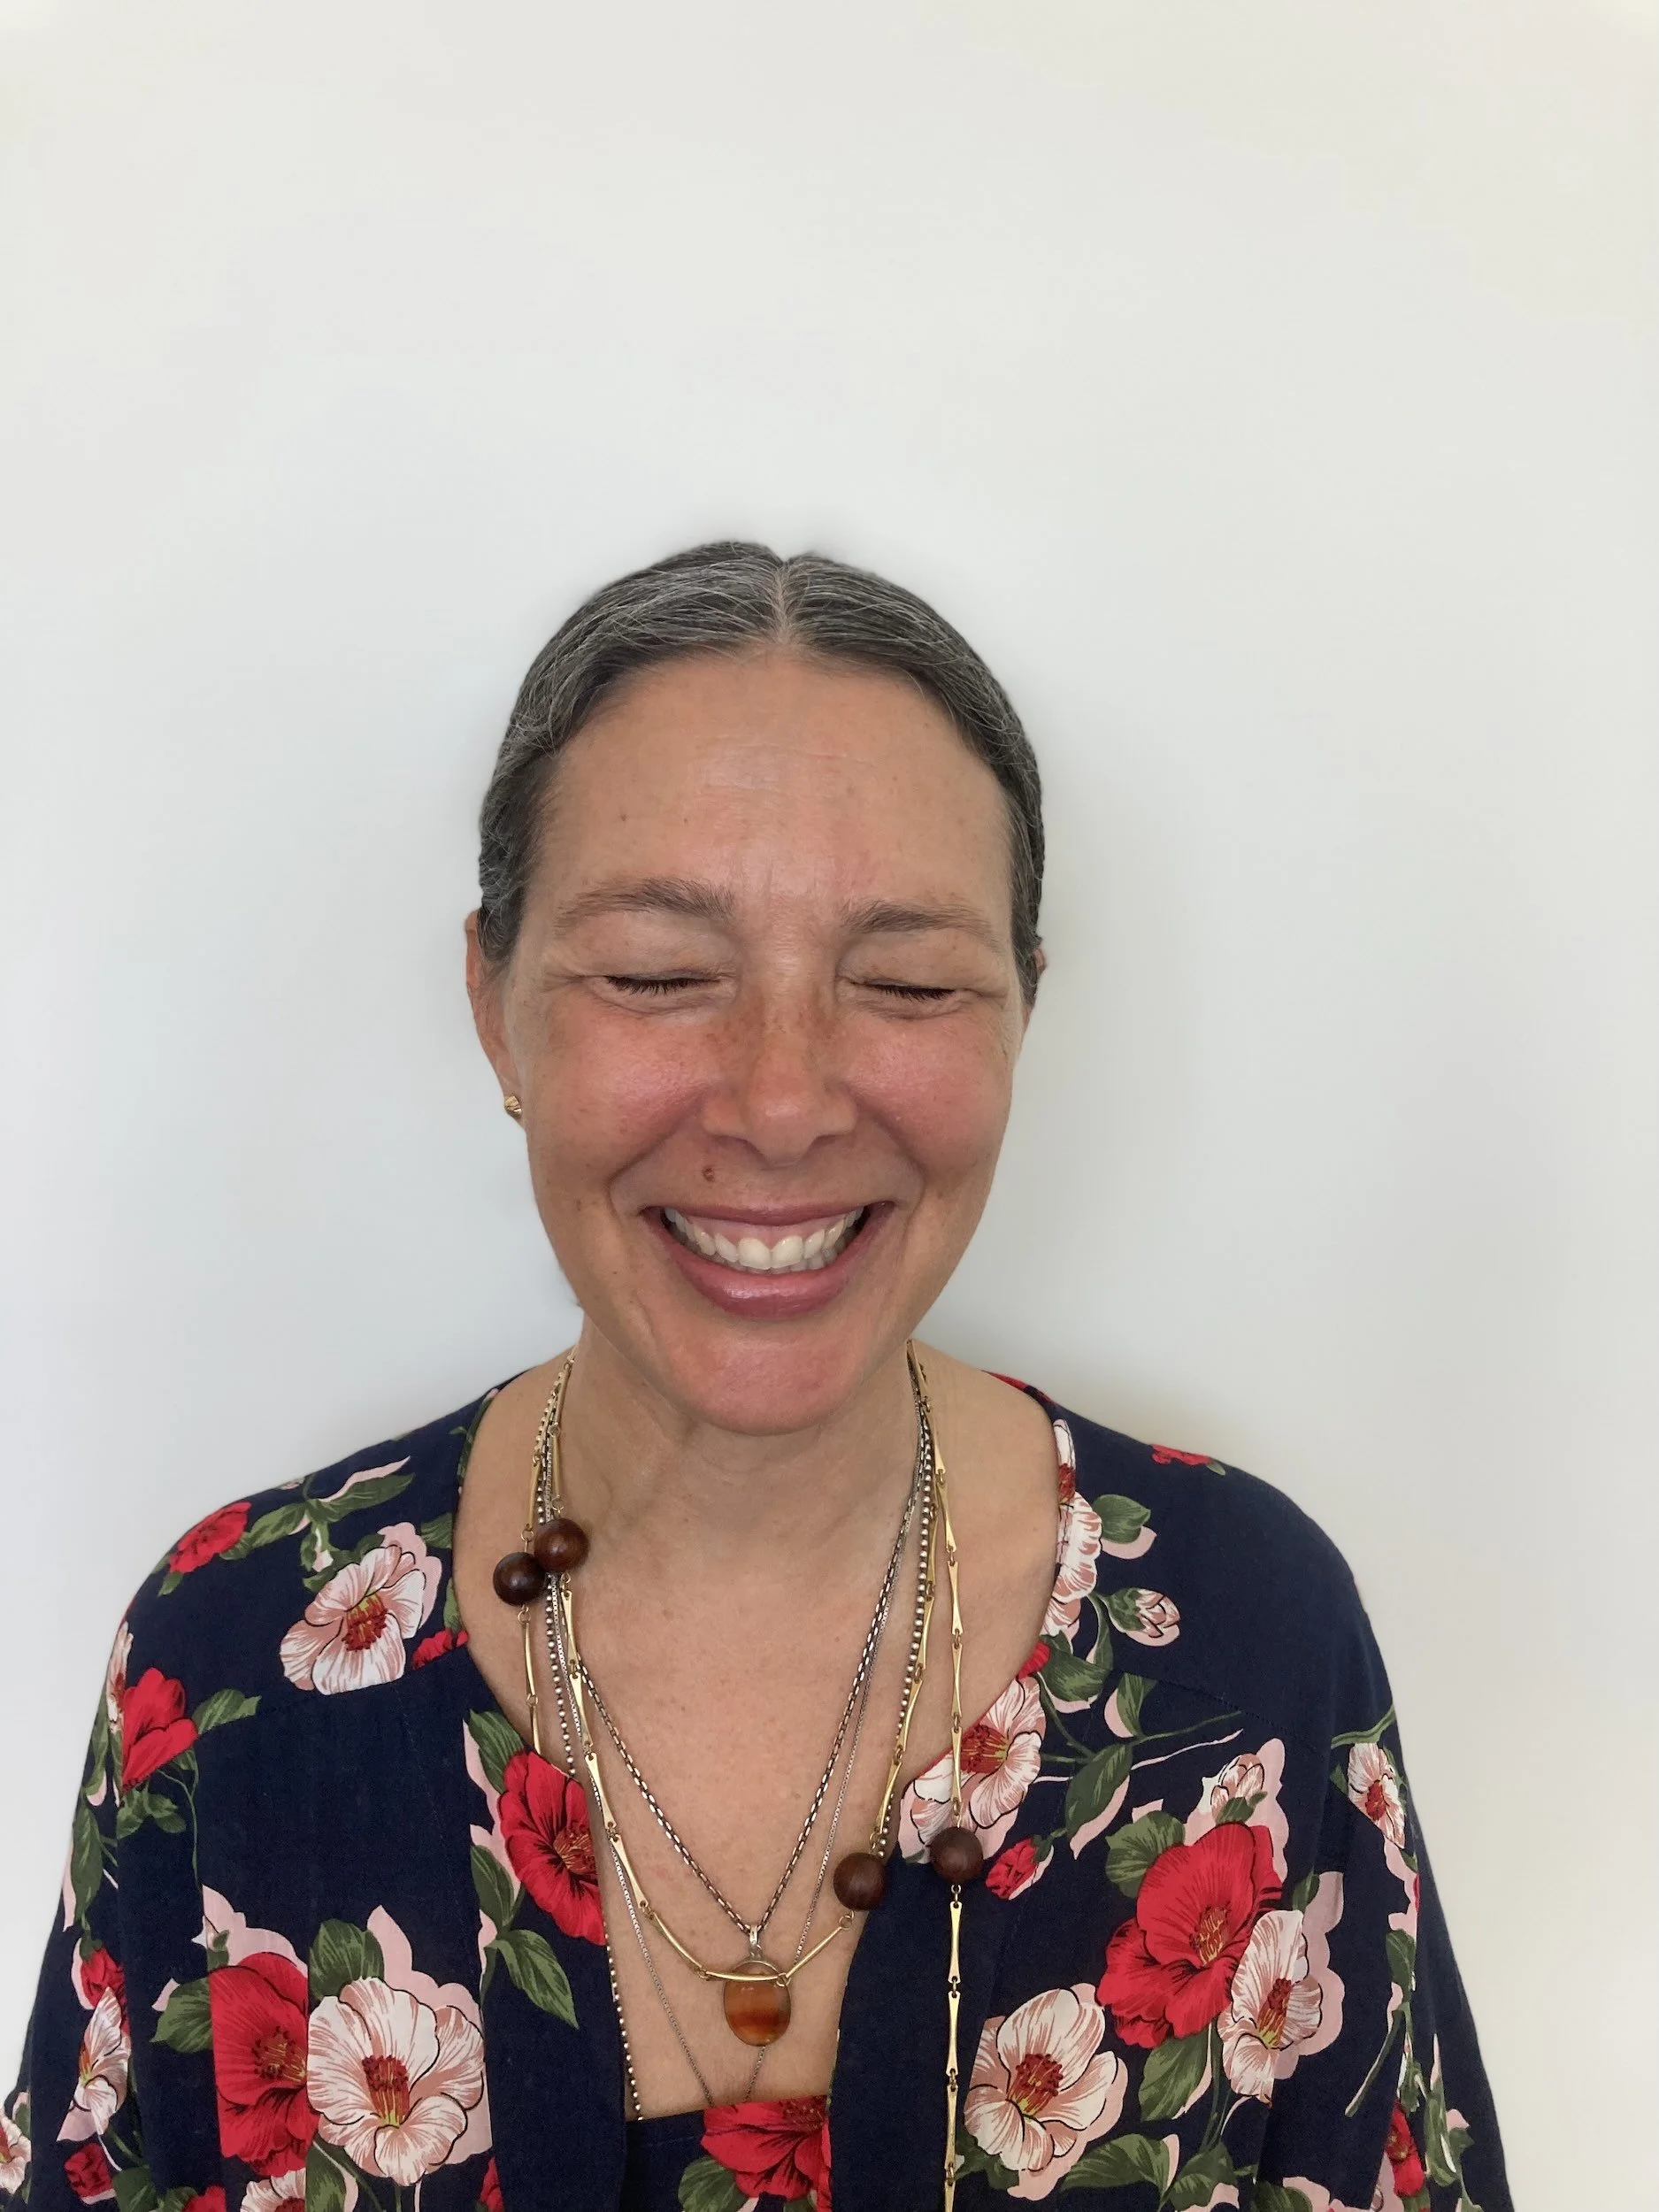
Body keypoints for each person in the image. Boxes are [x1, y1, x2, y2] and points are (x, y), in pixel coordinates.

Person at [4, 544, 1510, 2212]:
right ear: (496, 1010)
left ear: (1018, 1017)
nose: (781, 1103)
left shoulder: (1242, 1642)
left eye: (910, 981)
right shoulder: (235, 1676)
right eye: (657, 974)